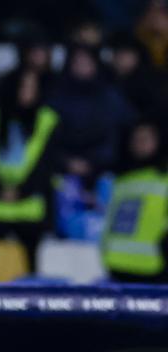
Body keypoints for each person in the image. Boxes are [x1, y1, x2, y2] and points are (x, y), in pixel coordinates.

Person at [0, 70, 59, 268]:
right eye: (24, 87)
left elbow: (47, 166)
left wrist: (21, 192)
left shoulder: (47, 120)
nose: (29, 93)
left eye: (33, 88)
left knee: (29, 280)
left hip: (31, 211)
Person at [47, 43, 135, 192]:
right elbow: (46, 138)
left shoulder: (111, 97)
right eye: (77, 63)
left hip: (107, 173)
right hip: (61, 174)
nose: (82, 67)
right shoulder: (55, 98)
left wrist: (95, 163)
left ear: (96, 65)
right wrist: (66, 162)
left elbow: (124, 133)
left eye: (87, 63)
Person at [101, 120, 168, 283]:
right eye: (136, 139)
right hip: (116, 266)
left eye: (146, 139)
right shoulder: (121, 179)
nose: (140, 144)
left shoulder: (164, 178)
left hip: (154, 268)